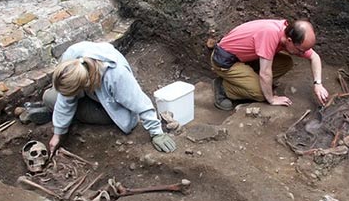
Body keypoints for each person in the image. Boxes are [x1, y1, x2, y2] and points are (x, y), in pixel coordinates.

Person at [32, 41, 176, 154]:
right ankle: (60, 116)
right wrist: (58, 133)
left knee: (58, 103)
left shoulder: (116, 75)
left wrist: (156, 133)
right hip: (89, 94)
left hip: (112, 107)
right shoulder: (70, 57)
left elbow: (141, 103)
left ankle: (62, 115)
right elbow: (65, 100)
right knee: (49, 98)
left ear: (85, 84)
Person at [211, 19, 329, 111]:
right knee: (263, 94)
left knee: (285, 63)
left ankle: (248, 81)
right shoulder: (270, 34)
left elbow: (314, 57)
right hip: (226, 61)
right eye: (300, 50)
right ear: (289, 40)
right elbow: (265, 72)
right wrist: (271, 99)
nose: (302, 54)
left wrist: (317, 83)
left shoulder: (286, 33)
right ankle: (223, 88)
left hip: (245, 58)